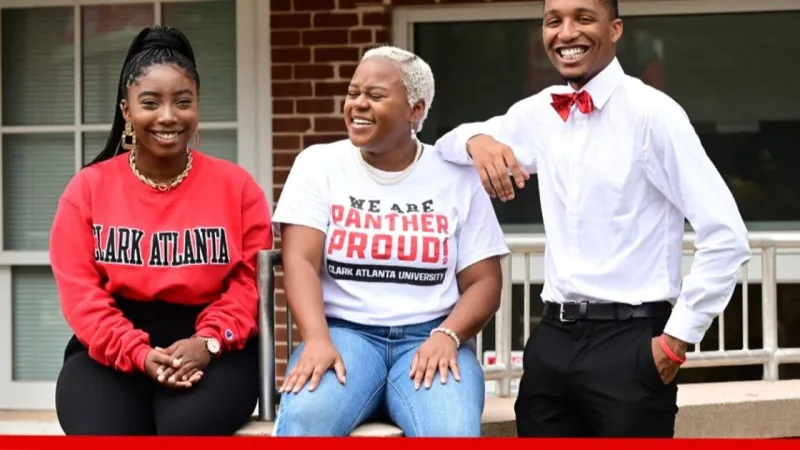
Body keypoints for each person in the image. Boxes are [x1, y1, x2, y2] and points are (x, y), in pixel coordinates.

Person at [434, 0, 750, 438]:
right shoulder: (541, 111)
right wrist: (477, 139)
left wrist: (675, 341)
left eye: (583, 18)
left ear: (615, 28)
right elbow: (444, 147)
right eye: (553, 21)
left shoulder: (653, 114)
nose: (565, 33)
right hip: (552, 339)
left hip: (634, 343)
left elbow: (727, 237)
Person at [270, 45, 509, 437]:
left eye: (375, 96)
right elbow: (300, 263)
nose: (358, 105)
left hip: (430, 335)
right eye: (353, 93)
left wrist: (448, 335)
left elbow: (484, 282)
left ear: (415, 110)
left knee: (451, 431)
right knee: (305, 421)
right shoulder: (318, 164)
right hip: (344, 336)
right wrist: (316, 338)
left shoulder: (456, 176)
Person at [49, 25, 272, 436]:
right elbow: (81, 293)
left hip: (214, 346)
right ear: (126, 110)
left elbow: (248, 285)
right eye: (150, 103)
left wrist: (207, 342)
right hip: (110, 345)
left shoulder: (237, 187)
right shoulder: (88, 189)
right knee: (104, 429)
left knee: (188, 426)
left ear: (197, 106)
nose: (168, 116)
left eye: (182, 102)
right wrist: (136, 352)